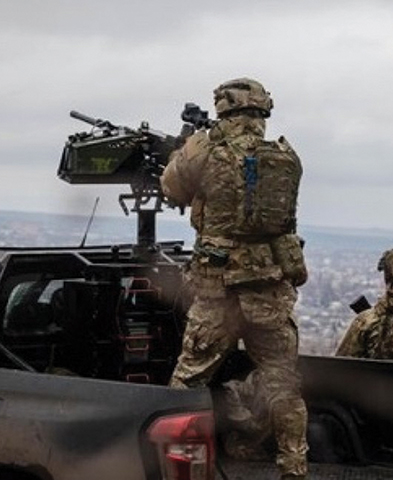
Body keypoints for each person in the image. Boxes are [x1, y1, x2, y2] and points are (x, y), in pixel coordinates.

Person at [161, 78, 309, 479]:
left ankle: (178, 467)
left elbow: (171, 188)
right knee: (284, 386)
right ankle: (294, 466)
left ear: (224, 110)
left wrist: (186, 146)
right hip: (270, 292)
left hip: (219, 293)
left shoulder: (206, 151)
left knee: (189, 381)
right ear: (262, 113)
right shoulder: (286, 157)